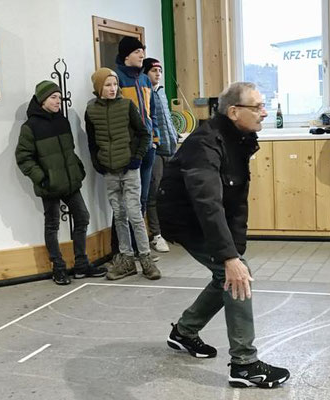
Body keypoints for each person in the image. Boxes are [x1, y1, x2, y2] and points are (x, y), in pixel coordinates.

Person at [157, 82, 290, 388]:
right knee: (235, 275)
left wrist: (236, 249)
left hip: (203, 215)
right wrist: (231, 257)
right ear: (234, 111)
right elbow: (207, 204)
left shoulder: (240, 138)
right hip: (185, 219)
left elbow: (236, 198)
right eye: (256, 107)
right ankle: (244, 364)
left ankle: (184, 332)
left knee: (229, 274)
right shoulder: (204, 145)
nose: (264, 112)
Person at [16, 80, 106, 285]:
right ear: (42, 101)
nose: (58, 101)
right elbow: (23, 158)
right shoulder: (30, 127)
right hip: (50, 186)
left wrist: (78, 169)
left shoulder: (61, 120)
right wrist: (43, 179)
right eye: (53, 97)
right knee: (52, 225)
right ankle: (58, 268)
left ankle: (82, 264)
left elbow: (69, 150)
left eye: (58, 97)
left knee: (82, 217)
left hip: (70, 182)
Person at [85, 68, 161, 280]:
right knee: (119, 215)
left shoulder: (127, 106)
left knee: (135, 214)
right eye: (108, 85)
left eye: (115, 84)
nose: (112, 88)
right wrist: (96, 162)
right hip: (109, 171)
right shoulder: (91, 110)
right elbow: (92, 141)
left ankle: (145, 258)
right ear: (99, 87)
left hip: (129, 168)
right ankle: (126, 259)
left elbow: (144, 134)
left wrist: (136, 157)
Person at [143, 57, 179, 253]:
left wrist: (174, 135)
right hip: (156, 150)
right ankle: (156, 234)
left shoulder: (162, 93)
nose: (158, 74)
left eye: (160, 70)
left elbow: (167, 119)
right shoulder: (145, 93)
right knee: (153, 193)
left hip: (171, 148)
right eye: (153, 70)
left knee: (170, 192)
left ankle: (169, 230)